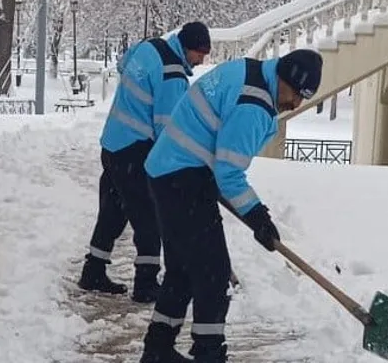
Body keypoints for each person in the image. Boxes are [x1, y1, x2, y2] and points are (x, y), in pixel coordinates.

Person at [138, 48, 323, 363]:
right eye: (296, 94)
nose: (295, 104)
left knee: (182, 270)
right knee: (214, 274)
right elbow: (229, 173)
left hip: (170, 170)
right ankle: (208, 354)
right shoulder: (254, 106)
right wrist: (258, 217)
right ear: (284, 78)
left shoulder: (250, 70)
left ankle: (158, 350)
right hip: (183, 179)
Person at [77, 21, 212, 303]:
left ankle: (93, 271)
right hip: (135, 151)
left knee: (112, 211)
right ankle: (146, 284)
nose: (201, 60)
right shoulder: (173, 75)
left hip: (112, 142)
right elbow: (167, 131)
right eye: (200, 54)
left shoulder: (148, 46)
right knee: (149, 218)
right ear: (188, 48)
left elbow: (123, 65)